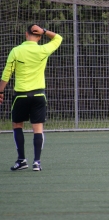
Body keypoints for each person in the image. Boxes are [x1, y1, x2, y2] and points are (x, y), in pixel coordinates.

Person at [0, 24, 63, 171]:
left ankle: (22, 160)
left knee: (17, 125)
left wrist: (0, 91)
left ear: (25, 34)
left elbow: (6, 74)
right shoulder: (43, 50)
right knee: (38, 129)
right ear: (39, 36)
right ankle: (37, 162)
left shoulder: (16, 51)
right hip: (39, 95)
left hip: (21, 95)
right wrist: (45, 31)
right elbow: (58, 38)